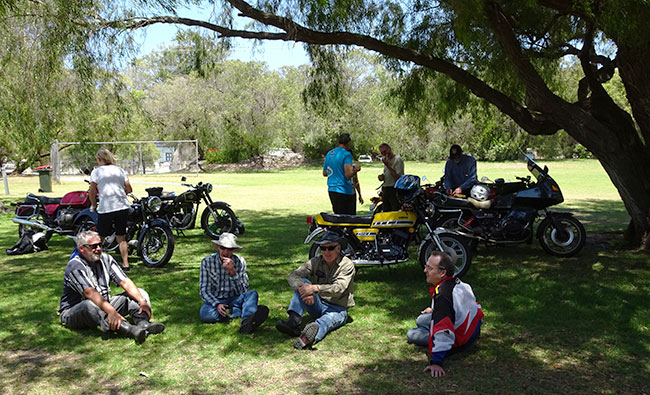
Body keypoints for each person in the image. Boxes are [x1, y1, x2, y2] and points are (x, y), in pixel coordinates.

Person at [58, 230, 165, 344]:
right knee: (89, 305)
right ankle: (131, 330)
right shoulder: (75, 265)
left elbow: (125, 282)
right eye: (93, 246)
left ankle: (143, 324)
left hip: (104, 304)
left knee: (138, 293)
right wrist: (112, 311)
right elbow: (90, 293)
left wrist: (142, 301)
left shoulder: (106, 259)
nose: (98, 249)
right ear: (82, 249)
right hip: (74, 312)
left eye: (100, 245)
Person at [406, 251, 483, 378]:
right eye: (426, 266)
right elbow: (472, 308)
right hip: (472, 332)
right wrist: (434, 310)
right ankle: (430, 323)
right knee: (421, 320)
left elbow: (444, 331)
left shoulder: (442, 297)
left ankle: (429, 330)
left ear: (442, 273)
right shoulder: (459, 284)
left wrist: (436, 362)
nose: (425, 270)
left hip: (460, 340)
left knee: (411, 334)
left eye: (429, 268)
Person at [275, 231, 355, 349]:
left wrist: (315, 289)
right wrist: (305, 292)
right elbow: (293, 275)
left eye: (330, 248)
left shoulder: (347, 265)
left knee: (326, 322)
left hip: (338, 308)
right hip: (317, 303)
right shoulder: (315, 261)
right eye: (323, 248)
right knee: (303, 284)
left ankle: (308, 338)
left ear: (338, 248)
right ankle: (293, 322)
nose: (326, 252)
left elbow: (339, 288)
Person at [199, 232, 269, 334]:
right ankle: (244, 311)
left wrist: (232, 272)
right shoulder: (206, 262)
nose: (226, 252)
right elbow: (204, 290)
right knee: (205, 314)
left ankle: (246, 322)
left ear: (233, 250)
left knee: (252, 294)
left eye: (229, 249)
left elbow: (243, 290)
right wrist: (217, 304)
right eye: (223, 248)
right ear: (218, 247)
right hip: (216, 300)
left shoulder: (240, 262)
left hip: (235, 298)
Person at [88, 148, 133, 271]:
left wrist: (93, 204)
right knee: (121, 236)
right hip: (122, 206)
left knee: (100, 236)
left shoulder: (97, 172)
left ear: (99, 159)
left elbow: (91, 192)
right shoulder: (120, 170)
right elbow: (129, 189)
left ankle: (94, 260)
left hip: (106, 207)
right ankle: (125, 264)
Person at [323, 133, 363, 215]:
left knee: (338, 217)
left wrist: (336, 171)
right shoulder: (346, 154)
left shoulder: (329, 154)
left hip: (332, 190)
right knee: (348, 219)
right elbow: (348, 174)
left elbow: (325, 173)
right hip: (344, 190)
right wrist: (355, 170)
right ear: (349, 143)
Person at [377, 143, 405, 212]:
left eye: (385, 151)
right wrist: (382, 177)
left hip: (394, 189)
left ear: (389, 149)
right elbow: (388, 173)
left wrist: (388, 165)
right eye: (382, 153)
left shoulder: (398, 160)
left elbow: (398, 178)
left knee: (394, 211)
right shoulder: (386, 160)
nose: (384, 154)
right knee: (386, 211)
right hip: (385, 189)